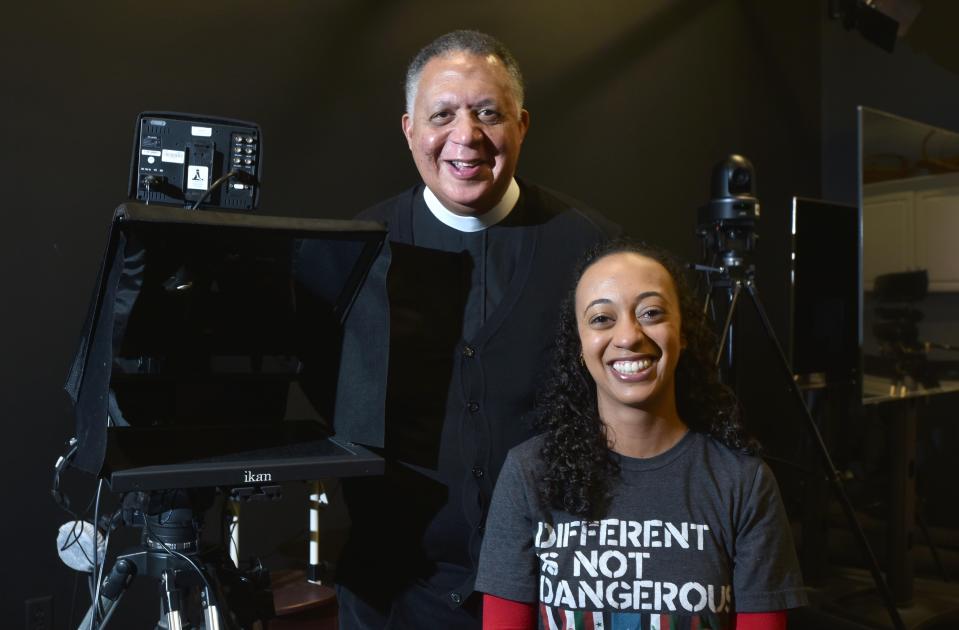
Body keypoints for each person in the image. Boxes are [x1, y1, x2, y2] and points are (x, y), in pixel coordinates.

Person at [334, 30, 620, 629]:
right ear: (409, 128)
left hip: (551, 589)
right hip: (392, 595)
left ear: (522, 124)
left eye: (488, 113)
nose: (466, 137)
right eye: (442, 115)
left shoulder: (592, 249)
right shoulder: (356, 251)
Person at [476, 240, 808, 629]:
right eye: (601, 319)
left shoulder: (743, 483)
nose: (629, 336)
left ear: (683, 332)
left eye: (651, 313)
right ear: (580, 345)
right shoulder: (529, 473)